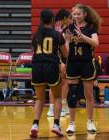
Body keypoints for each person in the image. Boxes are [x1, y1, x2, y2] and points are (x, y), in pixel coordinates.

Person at [30, 9, 68, 138]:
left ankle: (35, 124)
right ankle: (56, 125)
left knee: (40, 98)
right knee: (57, 97)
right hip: (51, 67)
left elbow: (34, 52)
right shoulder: (57, 35)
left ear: (41, 19)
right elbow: (65, 54)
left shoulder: (35, 35)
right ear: (52, 20)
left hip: (37, 67)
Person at [65, 3, 102, 134]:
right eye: (74, 14)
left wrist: (83, 36)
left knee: (88, 95)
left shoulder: (91, 27)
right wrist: (68, 42)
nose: (76, 16)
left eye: (78, 14)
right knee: (72, 95)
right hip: (73, 63)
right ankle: (71, 123)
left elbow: (96, 43)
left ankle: (91, 122)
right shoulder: (69, 27)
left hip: (87, 63)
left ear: (85, 14)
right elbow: (67, 49)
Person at [47, 9, 71, 117]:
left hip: (54, 57)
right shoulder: (64, 29)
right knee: (61, 82)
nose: (71, 20)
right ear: (65, 18)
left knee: (57, 83)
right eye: (69, 18)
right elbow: (66, 48)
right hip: (59, 57)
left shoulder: (53, 27)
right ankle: (59, 108)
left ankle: (54, 108)